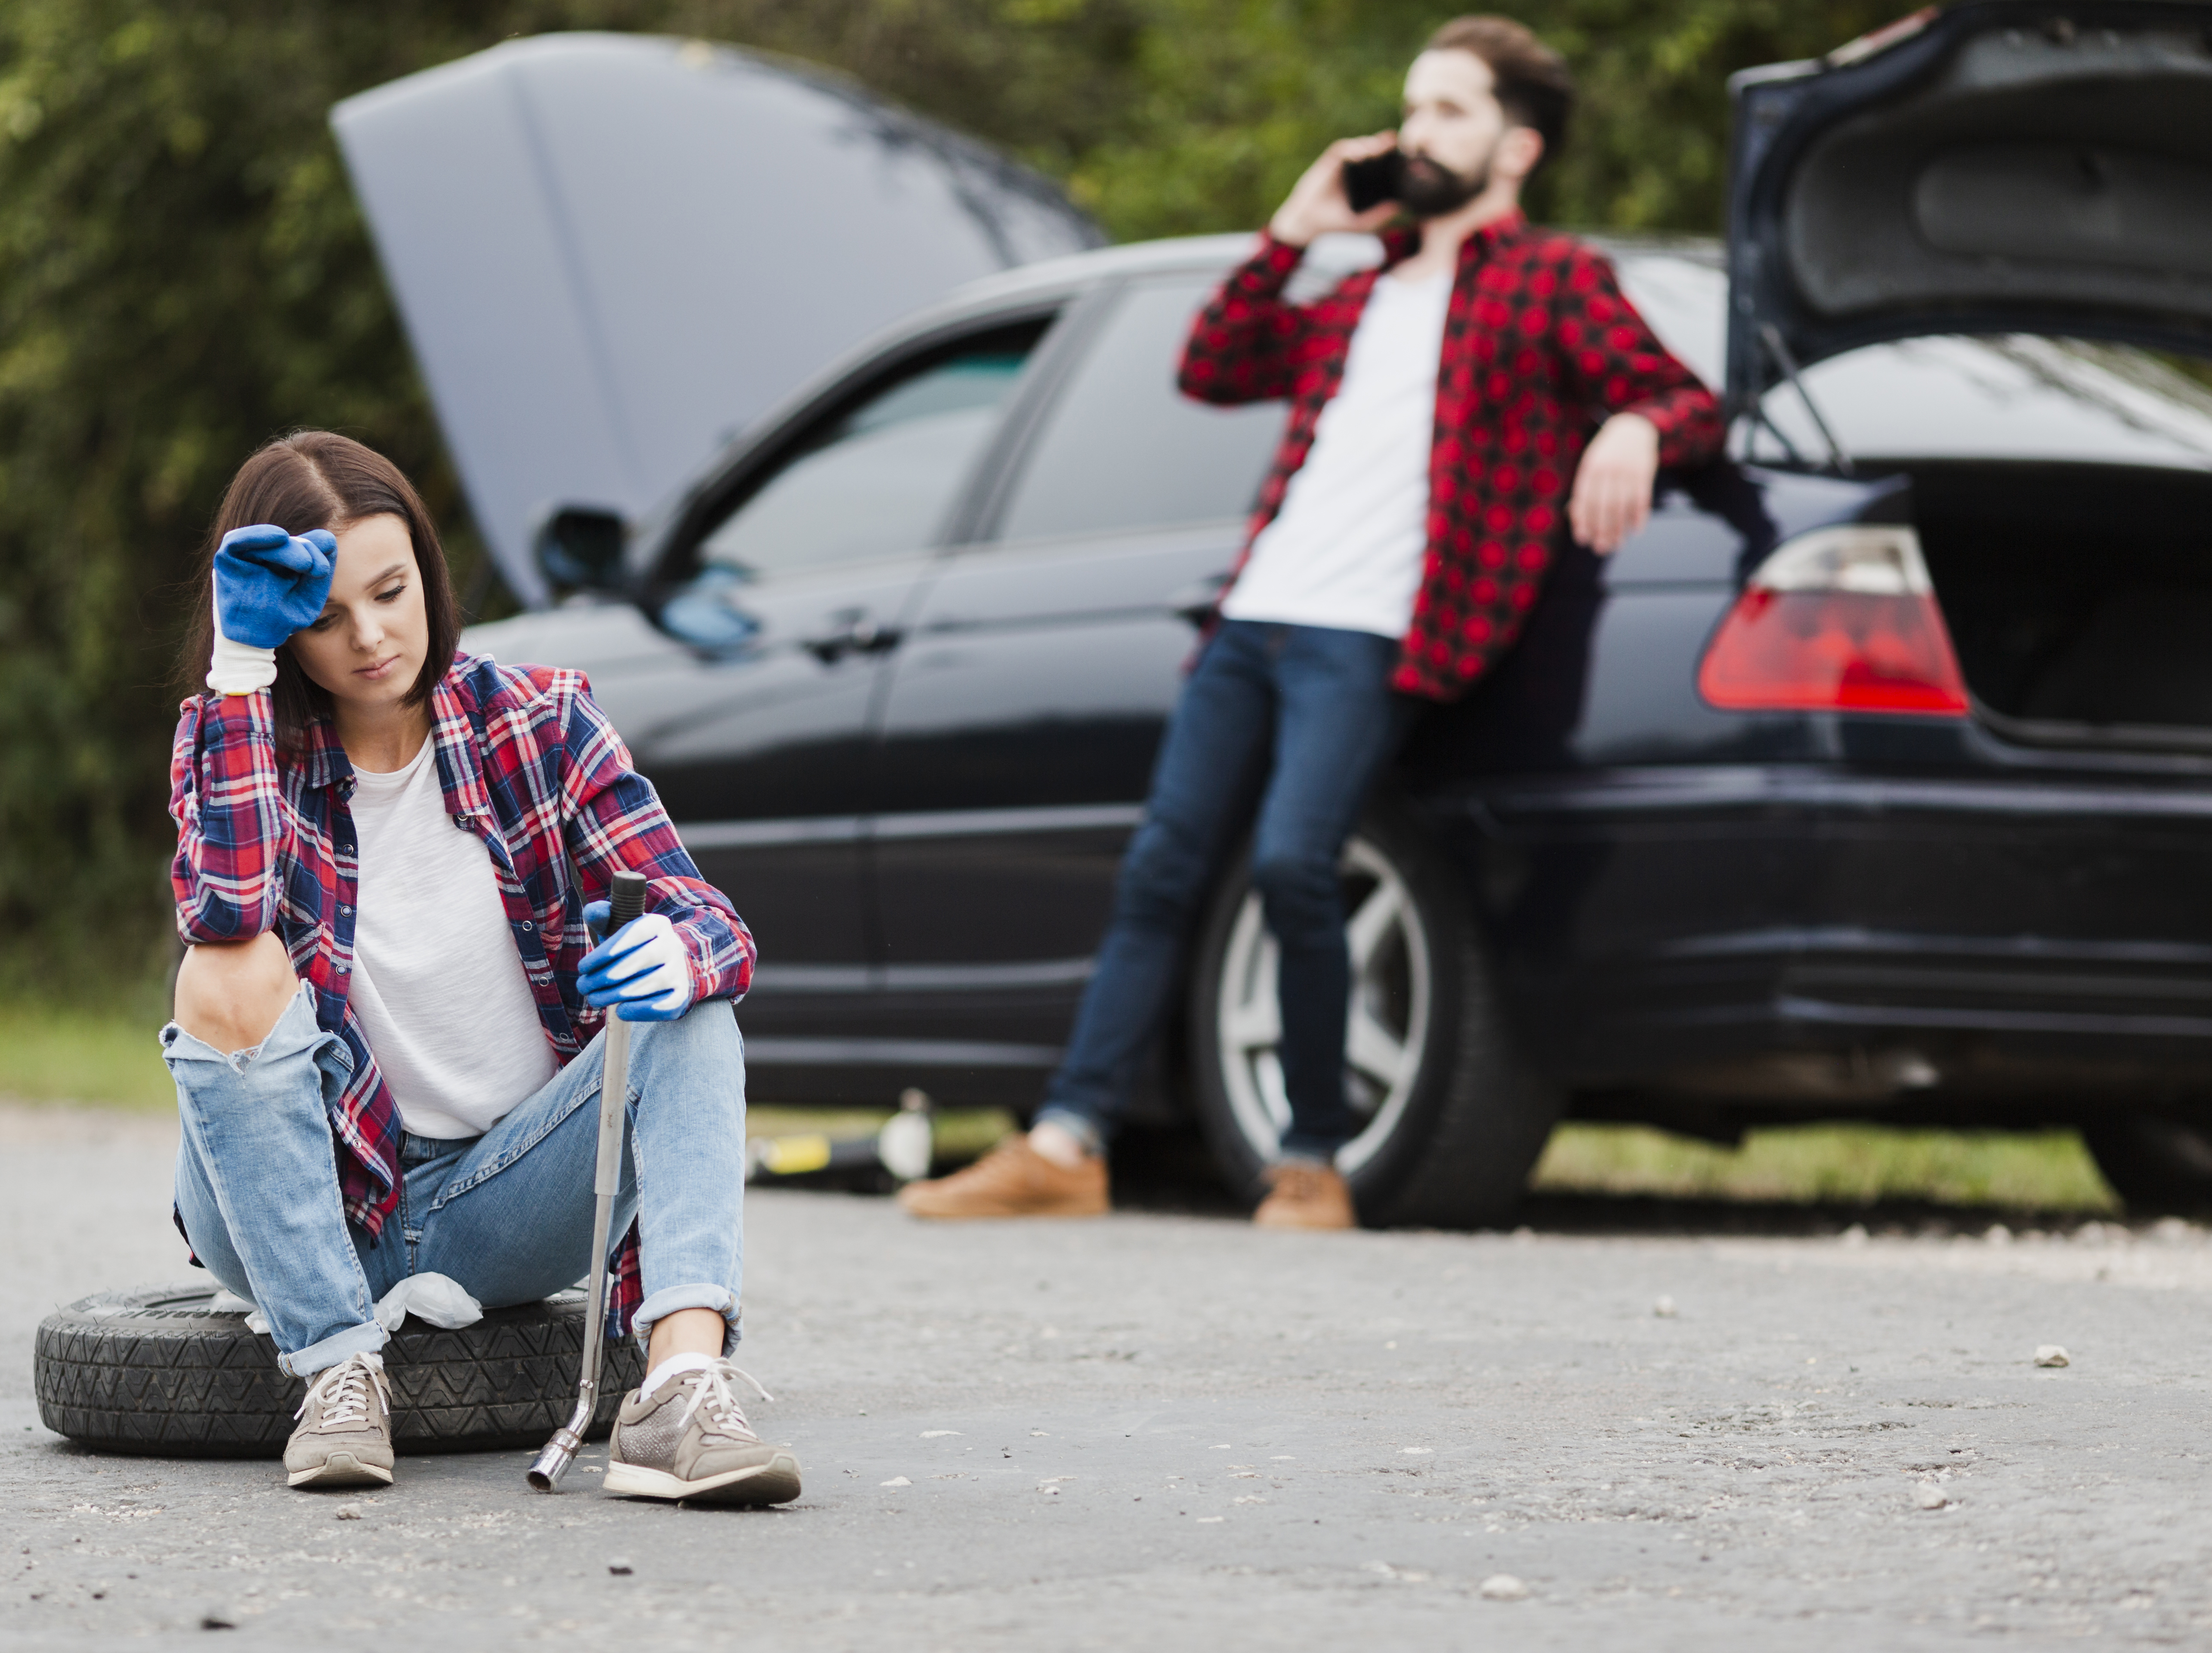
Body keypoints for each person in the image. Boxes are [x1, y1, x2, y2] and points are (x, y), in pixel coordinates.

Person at [902, 15, 1722, 1229]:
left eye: (1449, 109)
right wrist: (1291, 233)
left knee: (1295, 864)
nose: (1413, 131)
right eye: (1411, 107)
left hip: (1375, 633)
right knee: (1161, 873)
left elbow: (1686, 397)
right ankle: (1070, 1143)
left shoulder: (1554, 279)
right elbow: (1213, 364)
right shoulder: (1358, 288)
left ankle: (1315, 1158)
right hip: (1254, 618)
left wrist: (1636, 425)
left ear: (1519, 147)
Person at [164, 430, 799, 1502]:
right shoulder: (240, 738)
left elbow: (714, 921)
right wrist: (238, 672)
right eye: (325, 618)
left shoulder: (541, 719)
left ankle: (679, 1392)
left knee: (692, 1005)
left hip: (499, 1199)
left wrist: (679, 950)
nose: (370, 637)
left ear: (428, 569)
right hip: (313, 1201)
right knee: (221, 969)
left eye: (391, 592)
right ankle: (335, 1369)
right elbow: (224, 910)